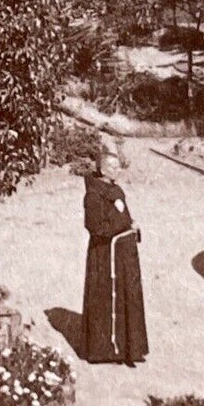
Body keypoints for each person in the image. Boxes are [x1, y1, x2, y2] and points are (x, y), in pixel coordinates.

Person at [81, 144, 148, 366]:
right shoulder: (93, 195)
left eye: (118, 166)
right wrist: (122, 226)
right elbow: (96, 227)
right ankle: (104, 350)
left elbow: (123, 216)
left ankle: (128, 348)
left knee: (127, 297)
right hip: (105, 257)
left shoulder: (116, 190)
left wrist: (132, 224)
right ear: (102, 169)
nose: (118, 170)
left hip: (124, 256)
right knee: (105, 298)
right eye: (113, 166)